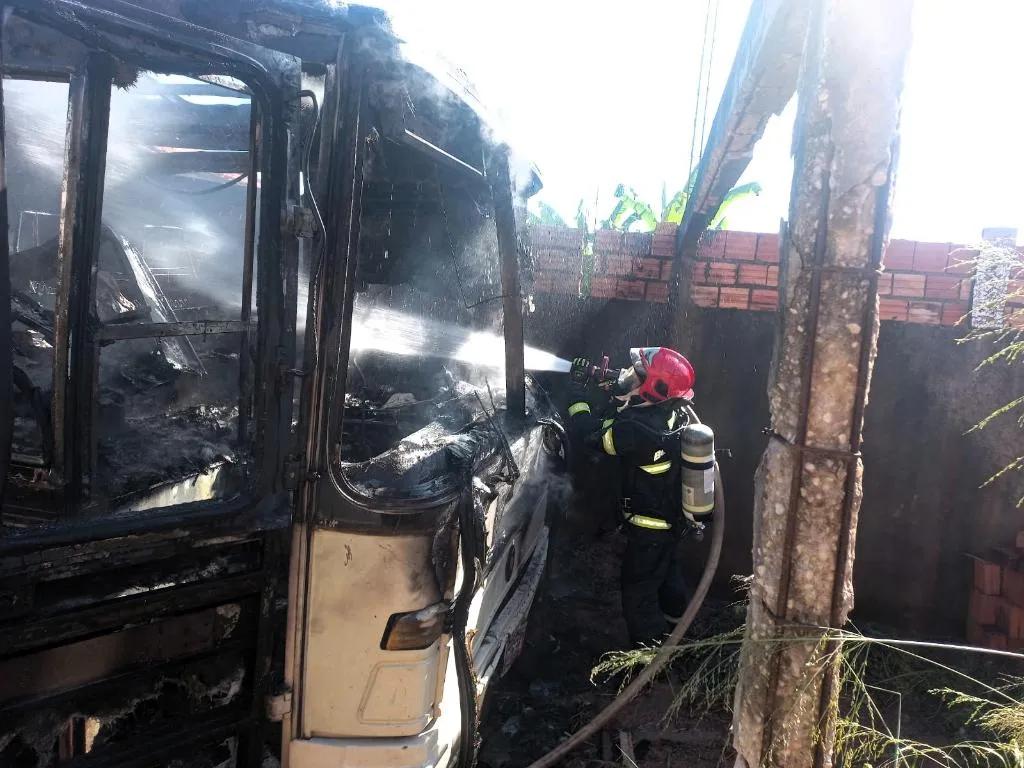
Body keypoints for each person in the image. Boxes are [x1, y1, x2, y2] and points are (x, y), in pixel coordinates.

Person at [566, 347, 709, 647]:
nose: (629, 376)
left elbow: (593, 435)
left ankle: (647, 664)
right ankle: (680, 638)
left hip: (649, 531)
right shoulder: (673, 413)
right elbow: (629, 419)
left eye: (638, 375)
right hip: (672, 523)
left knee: (637, 595)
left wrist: (577, 396)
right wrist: (618, 394)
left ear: (655, 389)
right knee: (668, 583)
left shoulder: (637, 429)